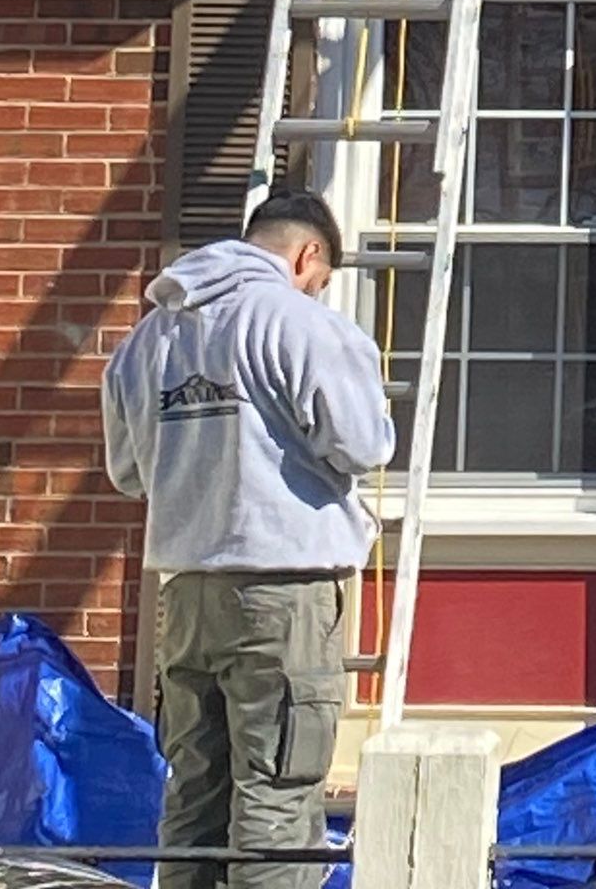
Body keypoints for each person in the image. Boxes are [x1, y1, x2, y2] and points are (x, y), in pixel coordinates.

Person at [103, 191, 396, 889]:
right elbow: (364, 444)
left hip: (188, 590)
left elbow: (126, 473)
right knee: (276, 798)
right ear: (309, 255)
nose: (317, 289)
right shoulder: (299, 324)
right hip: (282, 588)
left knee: (195, 798)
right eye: (320, 280)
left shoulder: (148, 338)